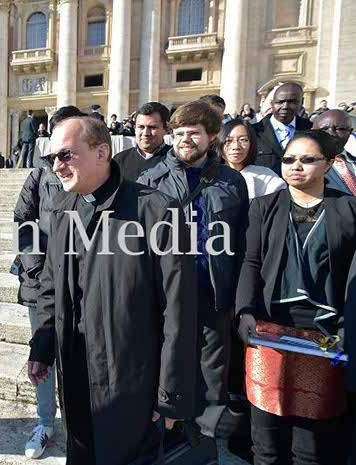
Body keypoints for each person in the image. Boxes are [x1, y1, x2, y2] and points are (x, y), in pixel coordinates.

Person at [28, 115, 198, 465]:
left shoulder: (156, 210)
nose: (56, 167)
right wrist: (42, 347)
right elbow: (50, 285)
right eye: (51, 158)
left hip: (131, 378)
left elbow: (178, 310)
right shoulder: (61, 209)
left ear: (102, 152)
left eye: (65, 155)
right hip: (74, 369)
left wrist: (170, 395)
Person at [235, 130, 355, 465]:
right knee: (266, 443)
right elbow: (251, 261)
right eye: (289, 159)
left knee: (310, 447)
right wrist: (245, 311)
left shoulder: (348, 209)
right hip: (269, 332)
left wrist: (345, 332)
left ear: (329, 163)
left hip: (324, 336)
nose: (295, 166)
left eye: (307, 159)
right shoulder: (264, 206)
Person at [137, 100, 250, 441]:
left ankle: (205, 435)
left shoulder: (231, 181)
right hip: (167, 293)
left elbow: (242, 241)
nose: (185, 139)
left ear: (212, 136)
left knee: (212, 367)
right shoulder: (150, 178)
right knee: (167, 360)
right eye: (180, 133)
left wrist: (240, 298)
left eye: (194, 133)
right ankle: (167, 429)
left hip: (213, 290)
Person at [14, 106, 85, 459]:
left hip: (83, 283)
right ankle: (45, 422)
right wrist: (35, 264)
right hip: (42, 281)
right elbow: (23, 218)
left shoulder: (93, 173)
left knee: (78, 355)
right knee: (42, 352)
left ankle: (78, 426)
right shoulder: (40, 173)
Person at [216, 119, 286, 199]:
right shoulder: (211, 176)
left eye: (243, 140)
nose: (236, 147)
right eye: (228, 140)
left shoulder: (267, 178)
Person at [253, 82, 312, 172]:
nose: (285, 107)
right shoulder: (254, 131)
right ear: (272, 104)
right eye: (280, 102)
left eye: (292, 102)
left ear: (301, 102)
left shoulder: (310, 129)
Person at [113, 102, 172, 182]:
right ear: (135, 129)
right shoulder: (119, 160)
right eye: (141, 127)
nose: (146, 133)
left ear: (166, 129)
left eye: (152, 127)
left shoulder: (176, 160)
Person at [313, 110, 356, 195]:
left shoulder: (353, 162)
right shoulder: (308, 166)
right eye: (324, 129)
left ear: (350, 132)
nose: (331, 134)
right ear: (313, 132)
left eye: (339, 129)